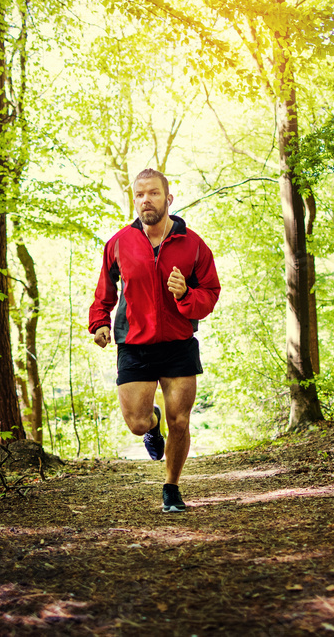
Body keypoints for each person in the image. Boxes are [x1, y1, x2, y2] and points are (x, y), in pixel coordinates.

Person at [89, 168, 221, 513]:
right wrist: (100, 324)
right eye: (140, 194)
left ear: (168, 199)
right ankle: (153, 422)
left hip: (178, 342)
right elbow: (105, 293)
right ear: (135, 200)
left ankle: (172, 488)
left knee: (181, 421)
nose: (146, 199)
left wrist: (185, 296)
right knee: (137, 423)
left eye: (154, 193)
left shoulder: (192, 244)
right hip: (134, 343)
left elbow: (210, 292)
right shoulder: (119, 243)